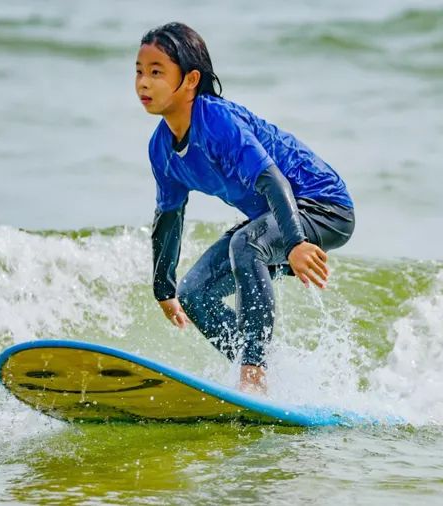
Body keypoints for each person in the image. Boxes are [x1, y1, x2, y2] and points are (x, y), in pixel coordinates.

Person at [136, 22, 355, 394]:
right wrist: (164, 289)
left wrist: (296, 242)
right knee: (195, 293)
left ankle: (253, 376)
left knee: (246, 245)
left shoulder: (216, 120)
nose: (143, 82)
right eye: (139, 72)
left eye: (157, 73)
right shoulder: (161, 148)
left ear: (190, 80)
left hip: (323, 206)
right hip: (275, 217)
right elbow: (169, 218)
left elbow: (273, 181)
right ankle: (263, 369)